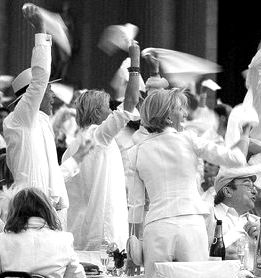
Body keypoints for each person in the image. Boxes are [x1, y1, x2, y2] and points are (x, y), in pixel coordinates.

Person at [127, 88, 251, 278]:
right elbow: (236, 159)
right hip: (191, 224)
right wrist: (244, 136)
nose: (185, 113)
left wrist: (132, 245)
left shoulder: (135, 151)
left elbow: (136, 204)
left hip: (157, 227)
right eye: (180, 109)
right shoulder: (189, 139)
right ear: (168, 116)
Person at [3, 4, 83, 218]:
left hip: (49, 212)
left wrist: (79, 158)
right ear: (30, 96)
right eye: (49, 90)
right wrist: (41, 31)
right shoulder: (19, 119)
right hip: (28, 209)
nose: (53, 95)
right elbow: (40, 79)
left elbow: (53, 173)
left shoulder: (41, 121)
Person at [62, 41, 140, 251]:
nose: (110, 111)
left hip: (79, 233)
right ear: (96, 113)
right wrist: (135, 61)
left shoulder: (72, 146)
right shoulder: (100, 135)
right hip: (105, 234)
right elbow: (131, 100)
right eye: (107, 108)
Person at [0, 187, 85, 278]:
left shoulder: (2, 240)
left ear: (14, 212)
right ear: (47, 210)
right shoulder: (64, 239)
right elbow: (76, 275)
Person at [206, 166, 260, 269]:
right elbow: (198, 258)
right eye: (247, 185)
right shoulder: (209, 216)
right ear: (228, 191)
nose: (254, 191)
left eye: (254, 187)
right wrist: (239, 230)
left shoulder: (257, 222)